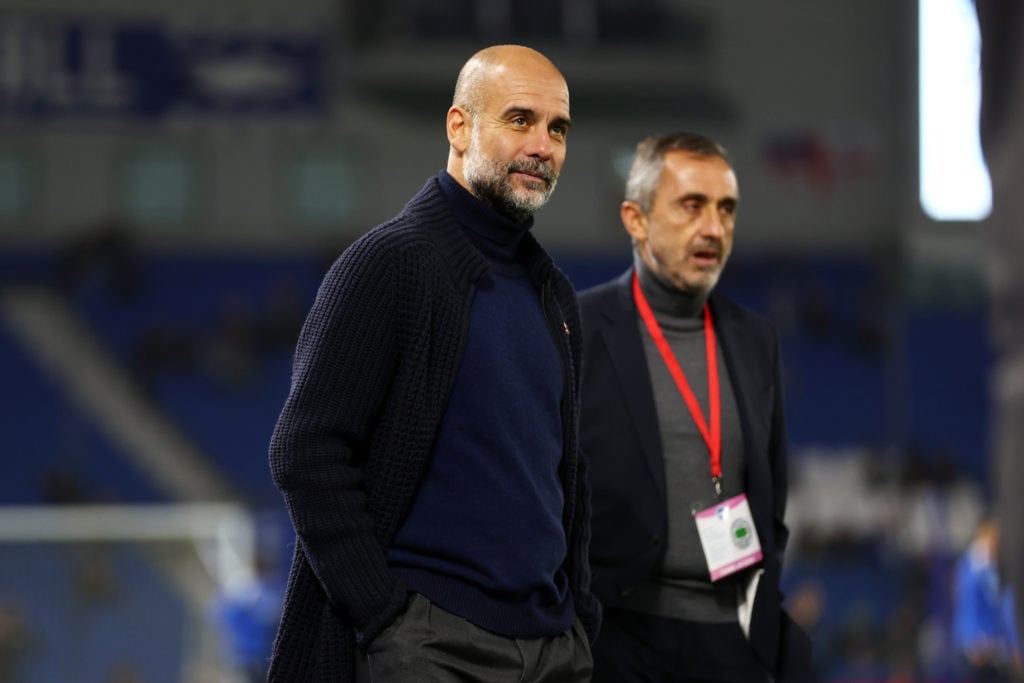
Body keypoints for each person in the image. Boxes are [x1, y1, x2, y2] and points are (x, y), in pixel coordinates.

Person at [267, 44, 599, 682]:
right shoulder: (390, 264)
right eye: (519, 120)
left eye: (557, 129)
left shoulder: (553, 293)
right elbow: (304, 451)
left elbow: (569, 477)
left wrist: (580, 620)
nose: (543, 145)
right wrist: (385, 619)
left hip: (551, 649)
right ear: (459, 126)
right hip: (432, 648)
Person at [578, 132, 813, 682]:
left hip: (729, 642)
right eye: (692, 206)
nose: (714, 228)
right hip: (616, 639)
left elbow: (770, 500)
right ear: (635, 220)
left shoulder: (756, 340)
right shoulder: (578, 329)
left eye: (726, 209)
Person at [951, 516, 1022, 681]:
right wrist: (974, 641)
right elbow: (968, 606)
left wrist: (1012, 644)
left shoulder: (995, 565)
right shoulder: (970, 567)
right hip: (978, 646)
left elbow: (1005, 606)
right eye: (992, 536)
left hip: (998, 645)